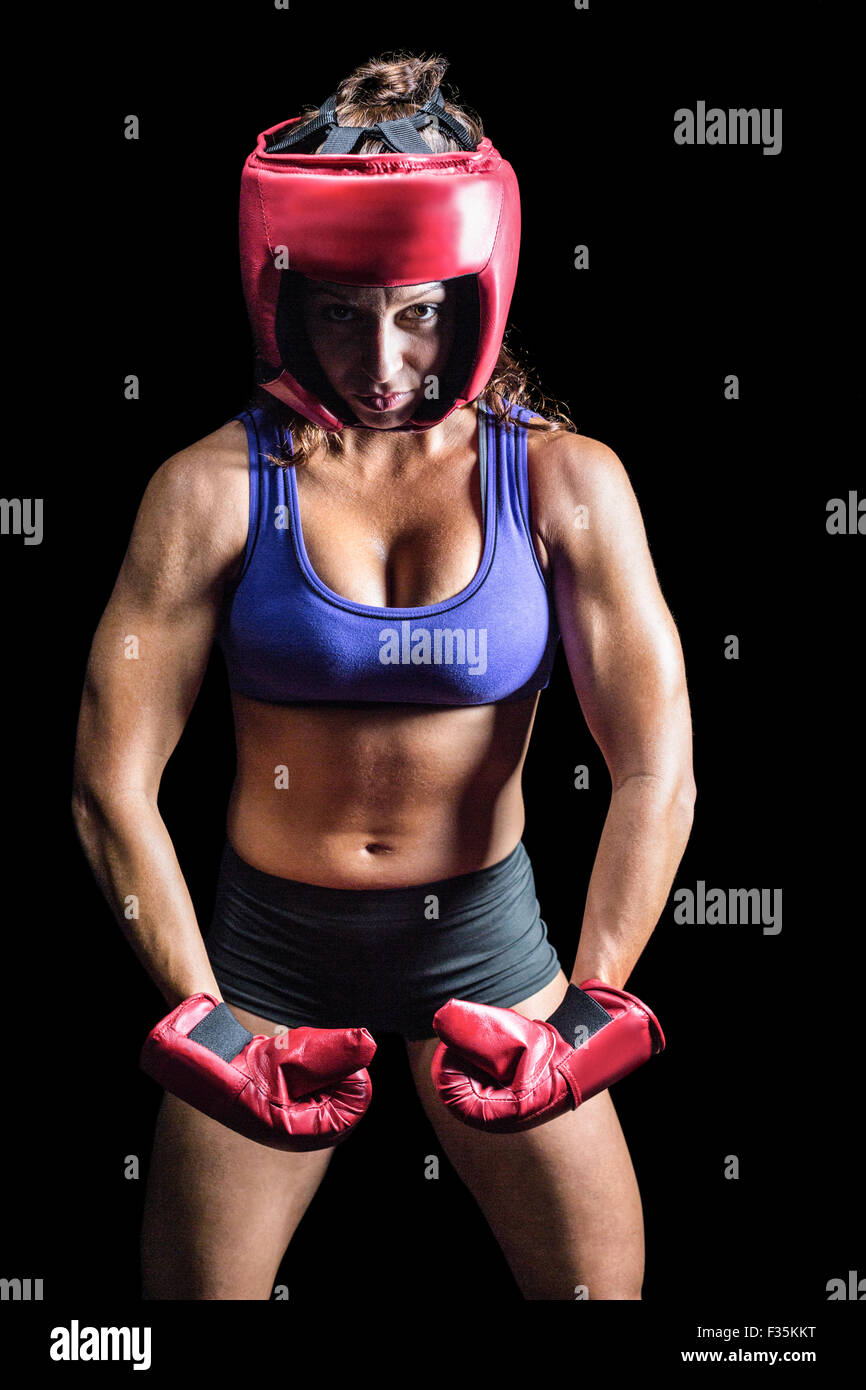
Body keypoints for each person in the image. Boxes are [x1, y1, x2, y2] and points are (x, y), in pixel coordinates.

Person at [72, 51, 695, 1300]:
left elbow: (656, 763)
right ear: (282, 300)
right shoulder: (209, 488)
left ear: (473, 296)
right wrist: (202, 1020)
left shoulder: (566, 483)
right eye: (341, 313)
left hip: (486, 946)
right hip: (263, 959)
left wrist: (590, 1008)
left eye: (415, 311)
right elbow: (108, 785)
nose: (381, 357)